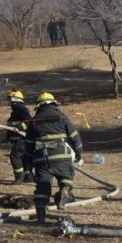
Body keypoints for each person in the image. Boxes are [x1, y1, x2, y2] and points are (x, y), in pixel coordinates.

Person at [25, 92, 83, 224]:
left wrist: (28, 166)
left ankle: (40, 212)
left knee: (42, 187)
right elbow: (74, 136)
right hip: (60, 155)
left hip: (41, 159)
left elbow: (28, 146)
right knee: (66, 178)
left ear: (39, 106)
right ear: (53, 104)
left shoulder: (34, 120)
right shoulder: (61, 117)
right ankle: (64, 192)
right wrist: (80, 153)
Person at [5, 89, 33, 185]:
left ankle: (19, 177)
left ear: (14, 99)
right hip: (23, 138)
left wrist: (19, 128)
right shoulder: (18, 109)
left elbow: (28, 121)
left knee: (15, 156)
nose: (8, 101)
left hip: (22, 138)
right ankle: (28, 176)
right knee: (24, 157)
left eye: (9, 99)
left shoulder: (19, 108)